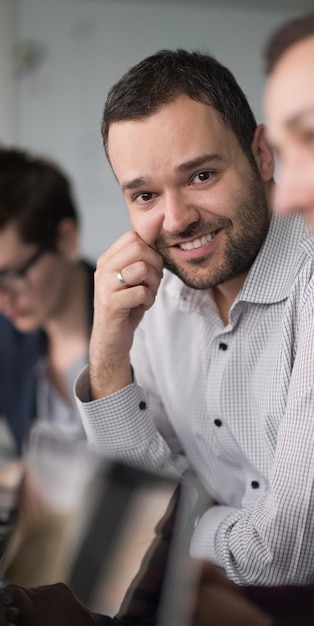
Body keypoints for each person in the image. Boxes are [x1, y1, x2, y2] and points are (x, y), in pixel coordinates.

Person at [1, 30, 314, 626]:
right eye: (144, 194)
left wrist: (171, 532)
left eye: (200, 176)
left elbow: (290, 561)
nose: (175, 220)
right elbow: (122, 520)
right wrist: (110, 358)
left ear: (262, 155)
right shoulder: (160, 298)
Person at [0, 147, 96, 586]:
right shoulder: (9, 342)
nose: (4, 299)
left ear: (66, 239)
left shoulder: (147, 325)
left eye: (12, 274)